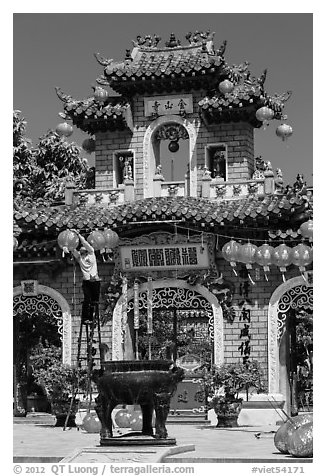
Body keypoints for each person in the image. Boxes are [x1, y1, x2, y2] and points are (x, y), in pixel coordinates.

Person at [71, 230, 101, 324]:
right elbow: (73, 249)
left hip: (95, 281)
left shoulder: (91, 254)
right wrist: (67, 246)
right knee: (87, 299)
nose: (82, 251)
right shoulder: (80, 258)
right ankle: (85, 318)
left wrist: (78, 235)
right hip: (87, 282)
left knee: (94, 301)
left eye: (84, 249)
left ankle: (93, 318)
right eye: (81, 250)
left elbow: (85, 242)